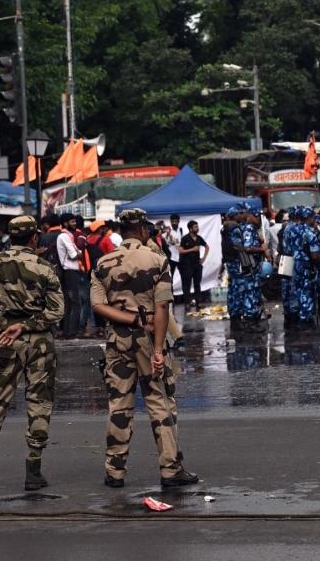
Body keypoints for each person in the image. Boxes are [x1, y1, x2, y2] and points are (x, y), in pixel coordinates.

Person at [90, 208, 199, 489]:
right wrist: (159, 348)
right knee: (158, 401)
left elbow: (98, 305)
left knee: (119, 404)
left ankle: (114, 471)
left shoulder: (103, 263)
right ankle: (169, 469)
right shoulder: (157, 260)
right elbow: (162, 306)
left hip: (117, 340)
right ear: (142, 231)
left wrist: (128, 318)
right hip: (148, 338)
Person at [0, 215, 64, 493]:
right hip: (40, 342)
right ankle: (33, 470)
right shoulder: (44, 267)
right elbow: (57, 311)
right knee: (39, 402)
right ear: (34, 238)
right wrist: (29, 324)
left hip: (7, 339)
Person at [225, 205, 266, 332]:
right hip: (242, 266)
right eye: (241, 213)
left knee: (235, 292)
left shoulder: (229, 227)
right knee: (249, 291)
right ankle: (250, 322)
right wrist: (261, 249)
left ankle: (236, 320)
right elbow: (245, 248)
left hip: (234, 266)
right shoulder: (242, 228)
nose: (244, 215)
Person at [56, 215, 85, 338]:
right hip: (70, 272)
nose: (74, 223)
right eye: (72, 221)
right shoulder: (64, 236)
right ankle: (72, 332)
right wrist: (80, 253)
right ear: (65, 223)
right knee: (75, 303)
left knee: (69, 303)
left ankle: (68, 331)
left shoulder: (67, 236)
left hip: (69, 272)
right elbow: (74, 255)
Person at [178, 220, 209, 309]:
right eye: (195, 227)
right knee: (186, 284)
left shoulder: (199, 238)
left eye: (197, 226)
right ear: (190, 229)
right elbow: (180, 250)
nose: (197, 228)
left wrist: (203, 258)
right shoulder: (185, 238)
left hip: (197, 264)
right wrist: (192, 249)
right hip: (186, 265)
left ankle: (198, 302)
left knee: (197, 283)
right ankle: (187, 303)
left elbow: (207, 247)